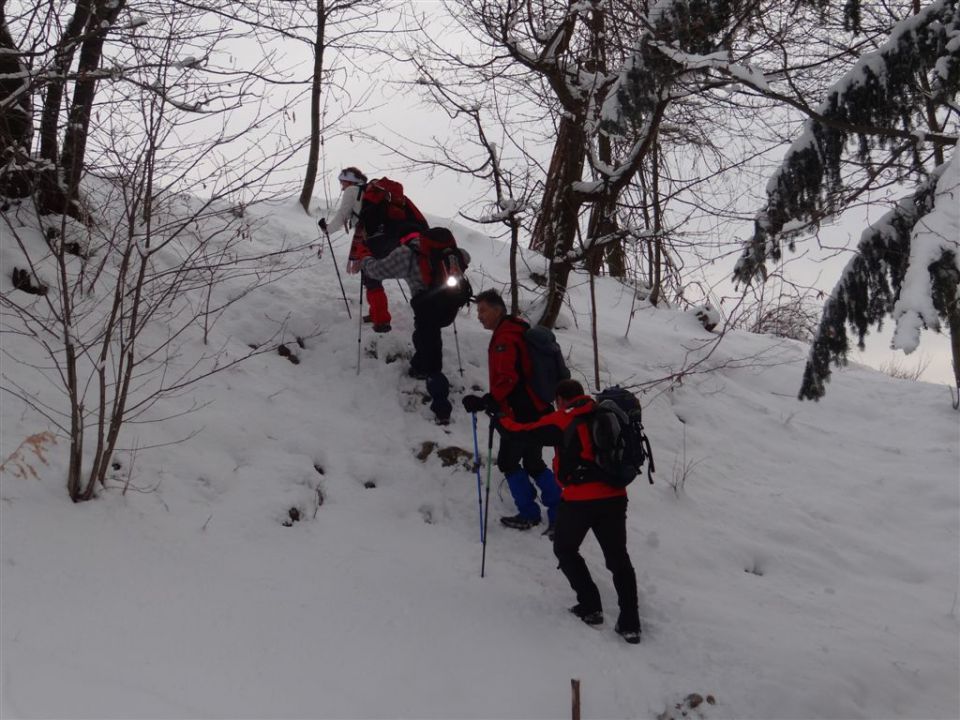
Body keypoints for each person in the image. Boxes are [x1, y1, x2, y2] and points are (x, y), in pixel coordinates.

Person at [493, 378, 642, 644]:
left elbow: (521, 432)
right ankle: (630, 624)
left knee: (565, 548)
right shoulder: (603, 413)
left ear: (560, 399)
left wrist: (497, 415)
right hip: (615, 497)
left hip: (579, 500)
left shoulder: (563, 419)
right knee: (618, 558)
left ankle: (590, 606)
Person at [462, 289, 559, 536]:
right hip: (535, 407)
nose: (479, 316)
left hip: (521, 412)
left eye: (483, 310)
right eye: (477, 311)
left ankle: (529, 513)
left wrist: (487, 401)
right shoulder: (518, 329)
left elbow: (507, 378)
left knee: (508, 461)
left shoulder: (505, 336)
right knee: (534, 462)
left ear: (497, 309)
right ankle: (559, 511)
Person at [353, 228, 466, 425]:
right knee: (424, 336)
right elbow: (466, 257)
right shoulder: (449, 251)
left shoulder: (407, 254)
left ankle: (442, 408)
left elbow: (376, 271)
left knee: (433, 358)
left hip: (427, 308)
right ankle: (417, 366)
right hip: (450, 306)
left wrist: (364, 257)